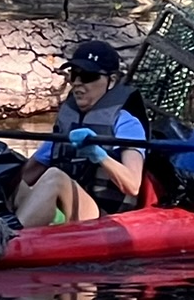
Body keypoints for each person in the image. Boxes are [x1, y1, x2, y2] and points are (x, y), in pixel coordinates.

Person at [13, 40, 148, 227]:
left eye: (87, 76)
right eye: (74, 75)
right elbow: (27, 173)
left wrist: (99, 155)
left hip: (106, 216)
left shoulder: (127, 123)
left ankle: (8, 240)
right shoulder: (68, 121)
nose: (77, 83)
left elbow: (133, 185)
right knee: (11, 182)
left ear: (112, 81)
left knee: (55, 177)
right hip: (71, 203)